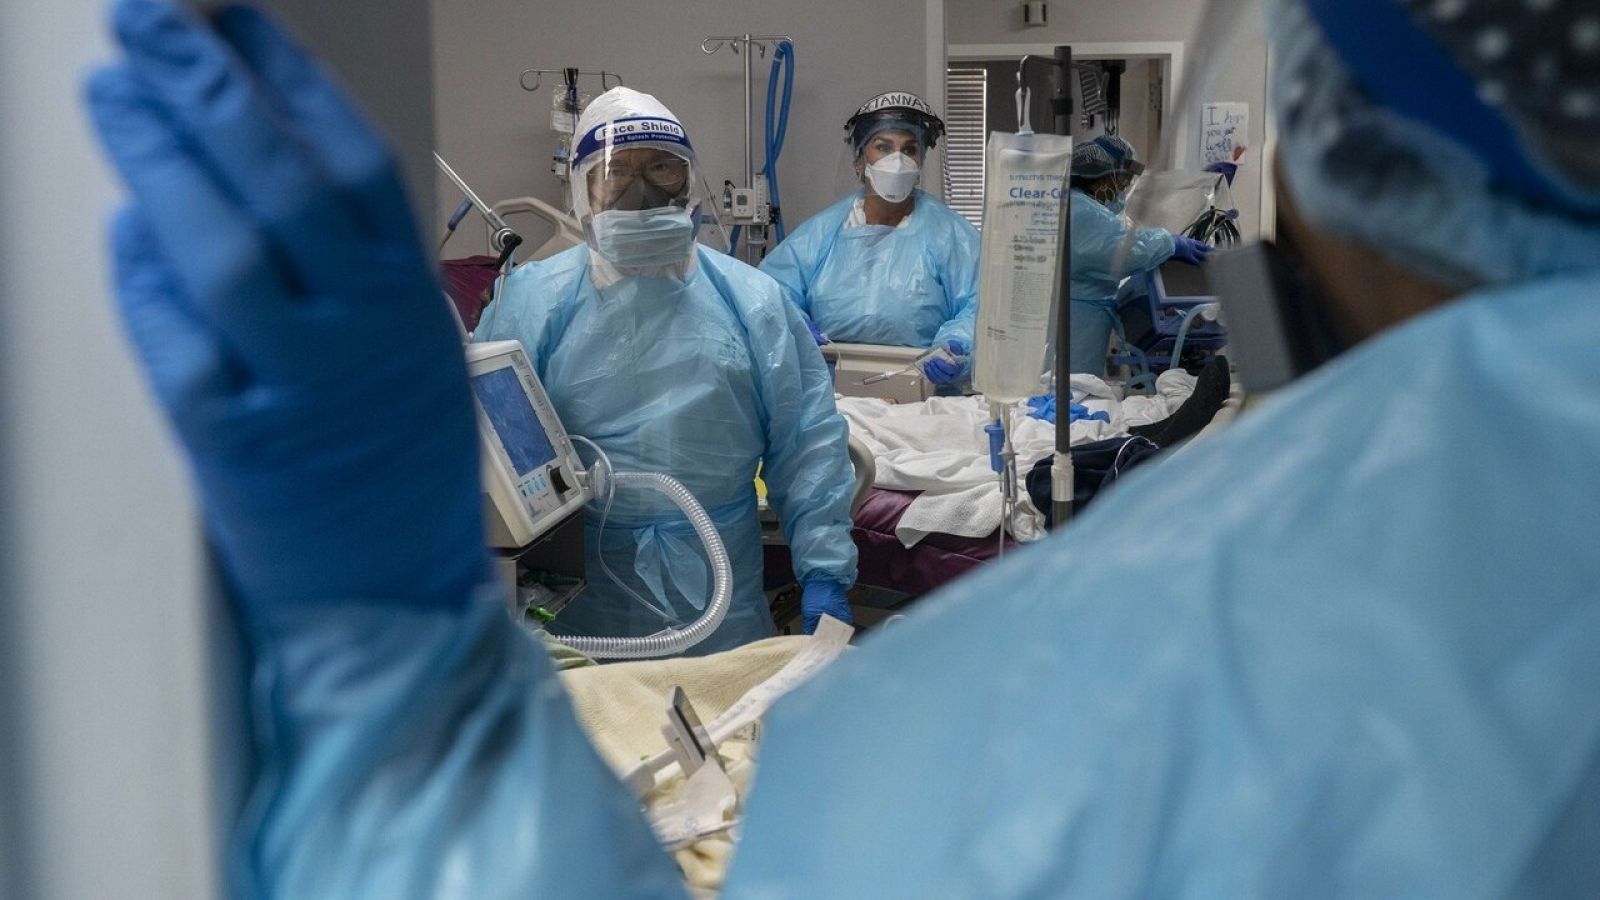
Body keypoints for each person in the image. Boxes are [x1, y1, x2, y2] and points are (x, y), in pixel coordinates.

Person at [88, 0, 1600, 895]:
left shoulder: (1094, 699)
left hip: (737, 624)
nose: (656, 192)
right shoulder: (555, 293)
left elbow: (815, 437)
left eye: (673, 170)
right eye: (633, 173)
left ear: (1356, 119)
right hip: (589, 610)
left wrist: (404, 686)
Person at [472, 86, 857, 651]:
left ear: (690, 181)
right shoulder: (532, 302)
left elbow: (807, 447)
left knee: (720, 730)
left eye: (662, 169)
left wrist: (824, 573)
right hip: (575, 598)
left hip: (721, 588)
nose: (642, 192)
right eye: (617, 174)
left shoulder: (752, 302)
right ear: (583, 190)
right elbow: (484, 449)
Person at [759, 92, 979, 386]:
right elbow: (770, 291)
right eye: (883, 147)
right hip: (829, 388)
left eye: (909, 149)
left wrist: (957, 345)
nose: (897, 161)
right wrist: (795, 326)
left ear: (920, 160)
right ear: (860, 159)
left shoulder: (950, 234)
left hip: (922, 393)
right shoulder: (824, 232)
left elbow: (982, 305)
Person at [1068, 133, 1212, 374]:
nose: (1123, 190)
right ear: (1105, 178)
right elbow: (1121, 251)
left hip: (1078, 322)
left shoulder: (1080, 207)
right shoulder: (1081, 212)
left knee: (1076, 395)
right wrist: (1169, 243)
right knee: (1072, 397)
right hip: (1075, 326)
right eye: (1123, 181)